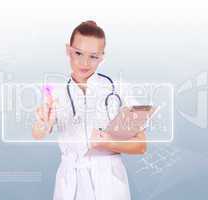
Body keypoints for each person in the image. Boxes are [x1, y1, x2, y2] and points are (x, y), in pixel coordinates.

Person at [32, 20, 147, 200]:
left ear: (102, 56)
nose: (84, 62)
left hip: (109, 182)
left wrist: (108, 142)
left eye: (93, 56)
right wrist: (42, 124)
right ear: (68, 50)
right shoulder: (55, 91)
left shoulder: (120, 88)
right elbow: (38, 134)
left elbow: (140, 145)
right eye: (78, 53)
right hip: (70, 183)